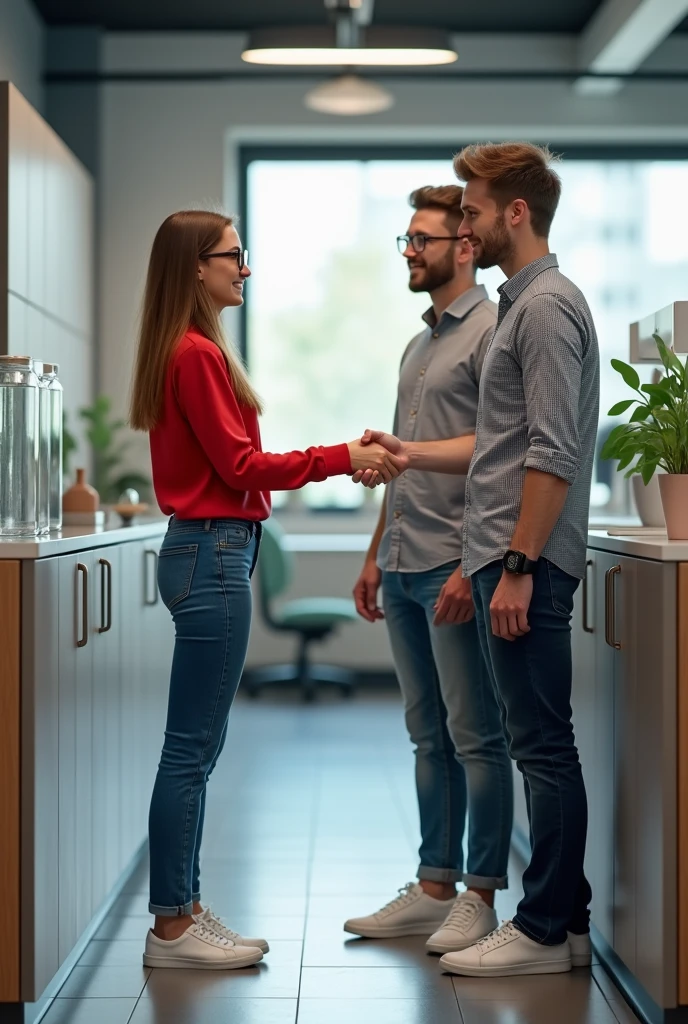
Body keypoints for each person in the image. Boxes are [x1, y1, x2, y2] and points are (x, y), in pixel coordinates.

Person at [128, 210, 404, 971]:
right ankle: (172, 930)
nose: (244, 269)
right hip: (212, 552)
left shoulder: (194, 350)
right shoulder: (194, 355)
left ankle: (179, 910)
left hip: (213, 552)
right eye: (233, 256)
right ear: (195, 267)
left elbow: (236, 465)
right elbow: (243, 468)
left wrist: (338, 457)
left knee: (196, 749)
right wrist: (342, 457)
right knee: (191, 752)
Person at [357, 142, 600, 978]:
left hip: (519, 561)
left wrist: (520, 563)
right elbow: (503, 447)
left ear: (515, 213)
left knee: (536, 746)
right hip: (495, 555)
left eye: (472, 211)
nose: (465, 226)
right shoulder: (524, 303)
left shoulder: (541, 308)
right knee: (534, 742)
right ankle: (561, 925)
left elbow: (553, 450)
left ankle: (536, 929)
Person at [343, 186, 513, 954]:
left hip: (456, 563)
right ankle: (434, 884)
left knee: (476, 736)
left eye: (422, 239)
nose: (409, 251)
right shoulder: (419, 345)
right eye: (406, 240)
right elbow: (401, 464)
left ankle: (480, 896)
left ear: (464, 247)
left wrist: (471, 564)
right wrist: (377, 553)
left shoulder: (492, 332)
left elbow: (499, 457)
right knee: (426, 735)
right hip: (405, 560)